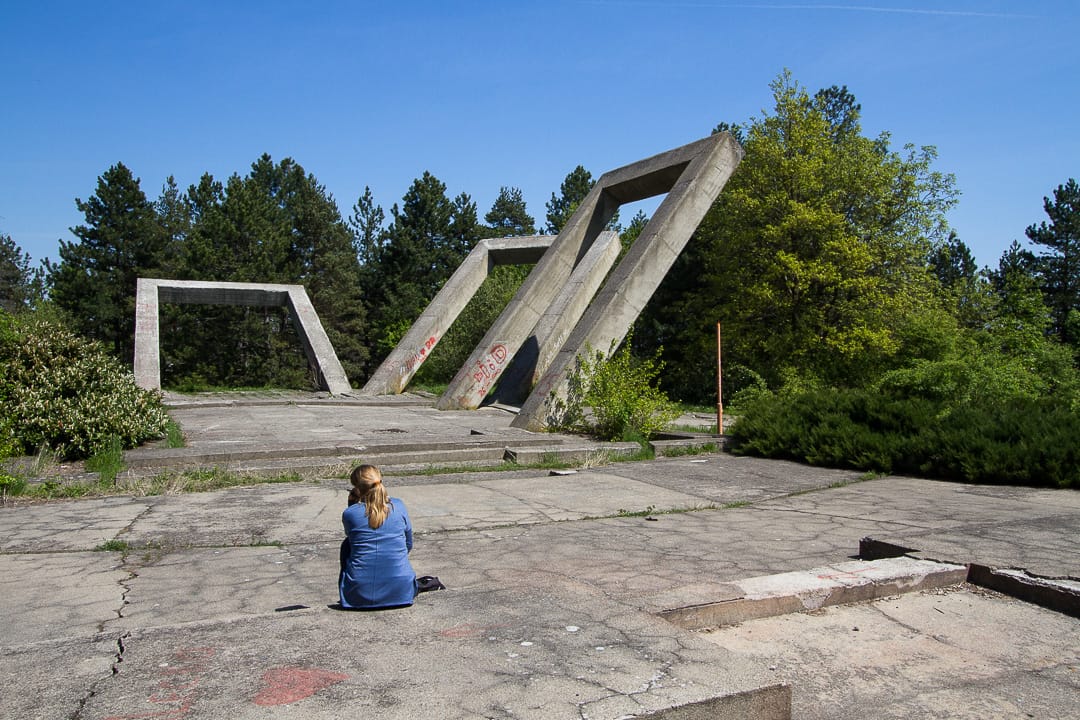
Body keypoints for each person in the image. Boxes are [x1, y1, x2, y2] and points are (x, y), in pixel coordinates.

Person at [338, 464, 418, 609]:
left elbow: (354, 538)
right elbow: (408, 544)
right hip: (402, 591)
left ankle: (357, 584)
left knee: (347, 545)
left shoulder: (350, 514)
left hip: (358, 594)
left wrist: (351, 504)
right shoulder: (398, 506)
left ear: (357, 489)